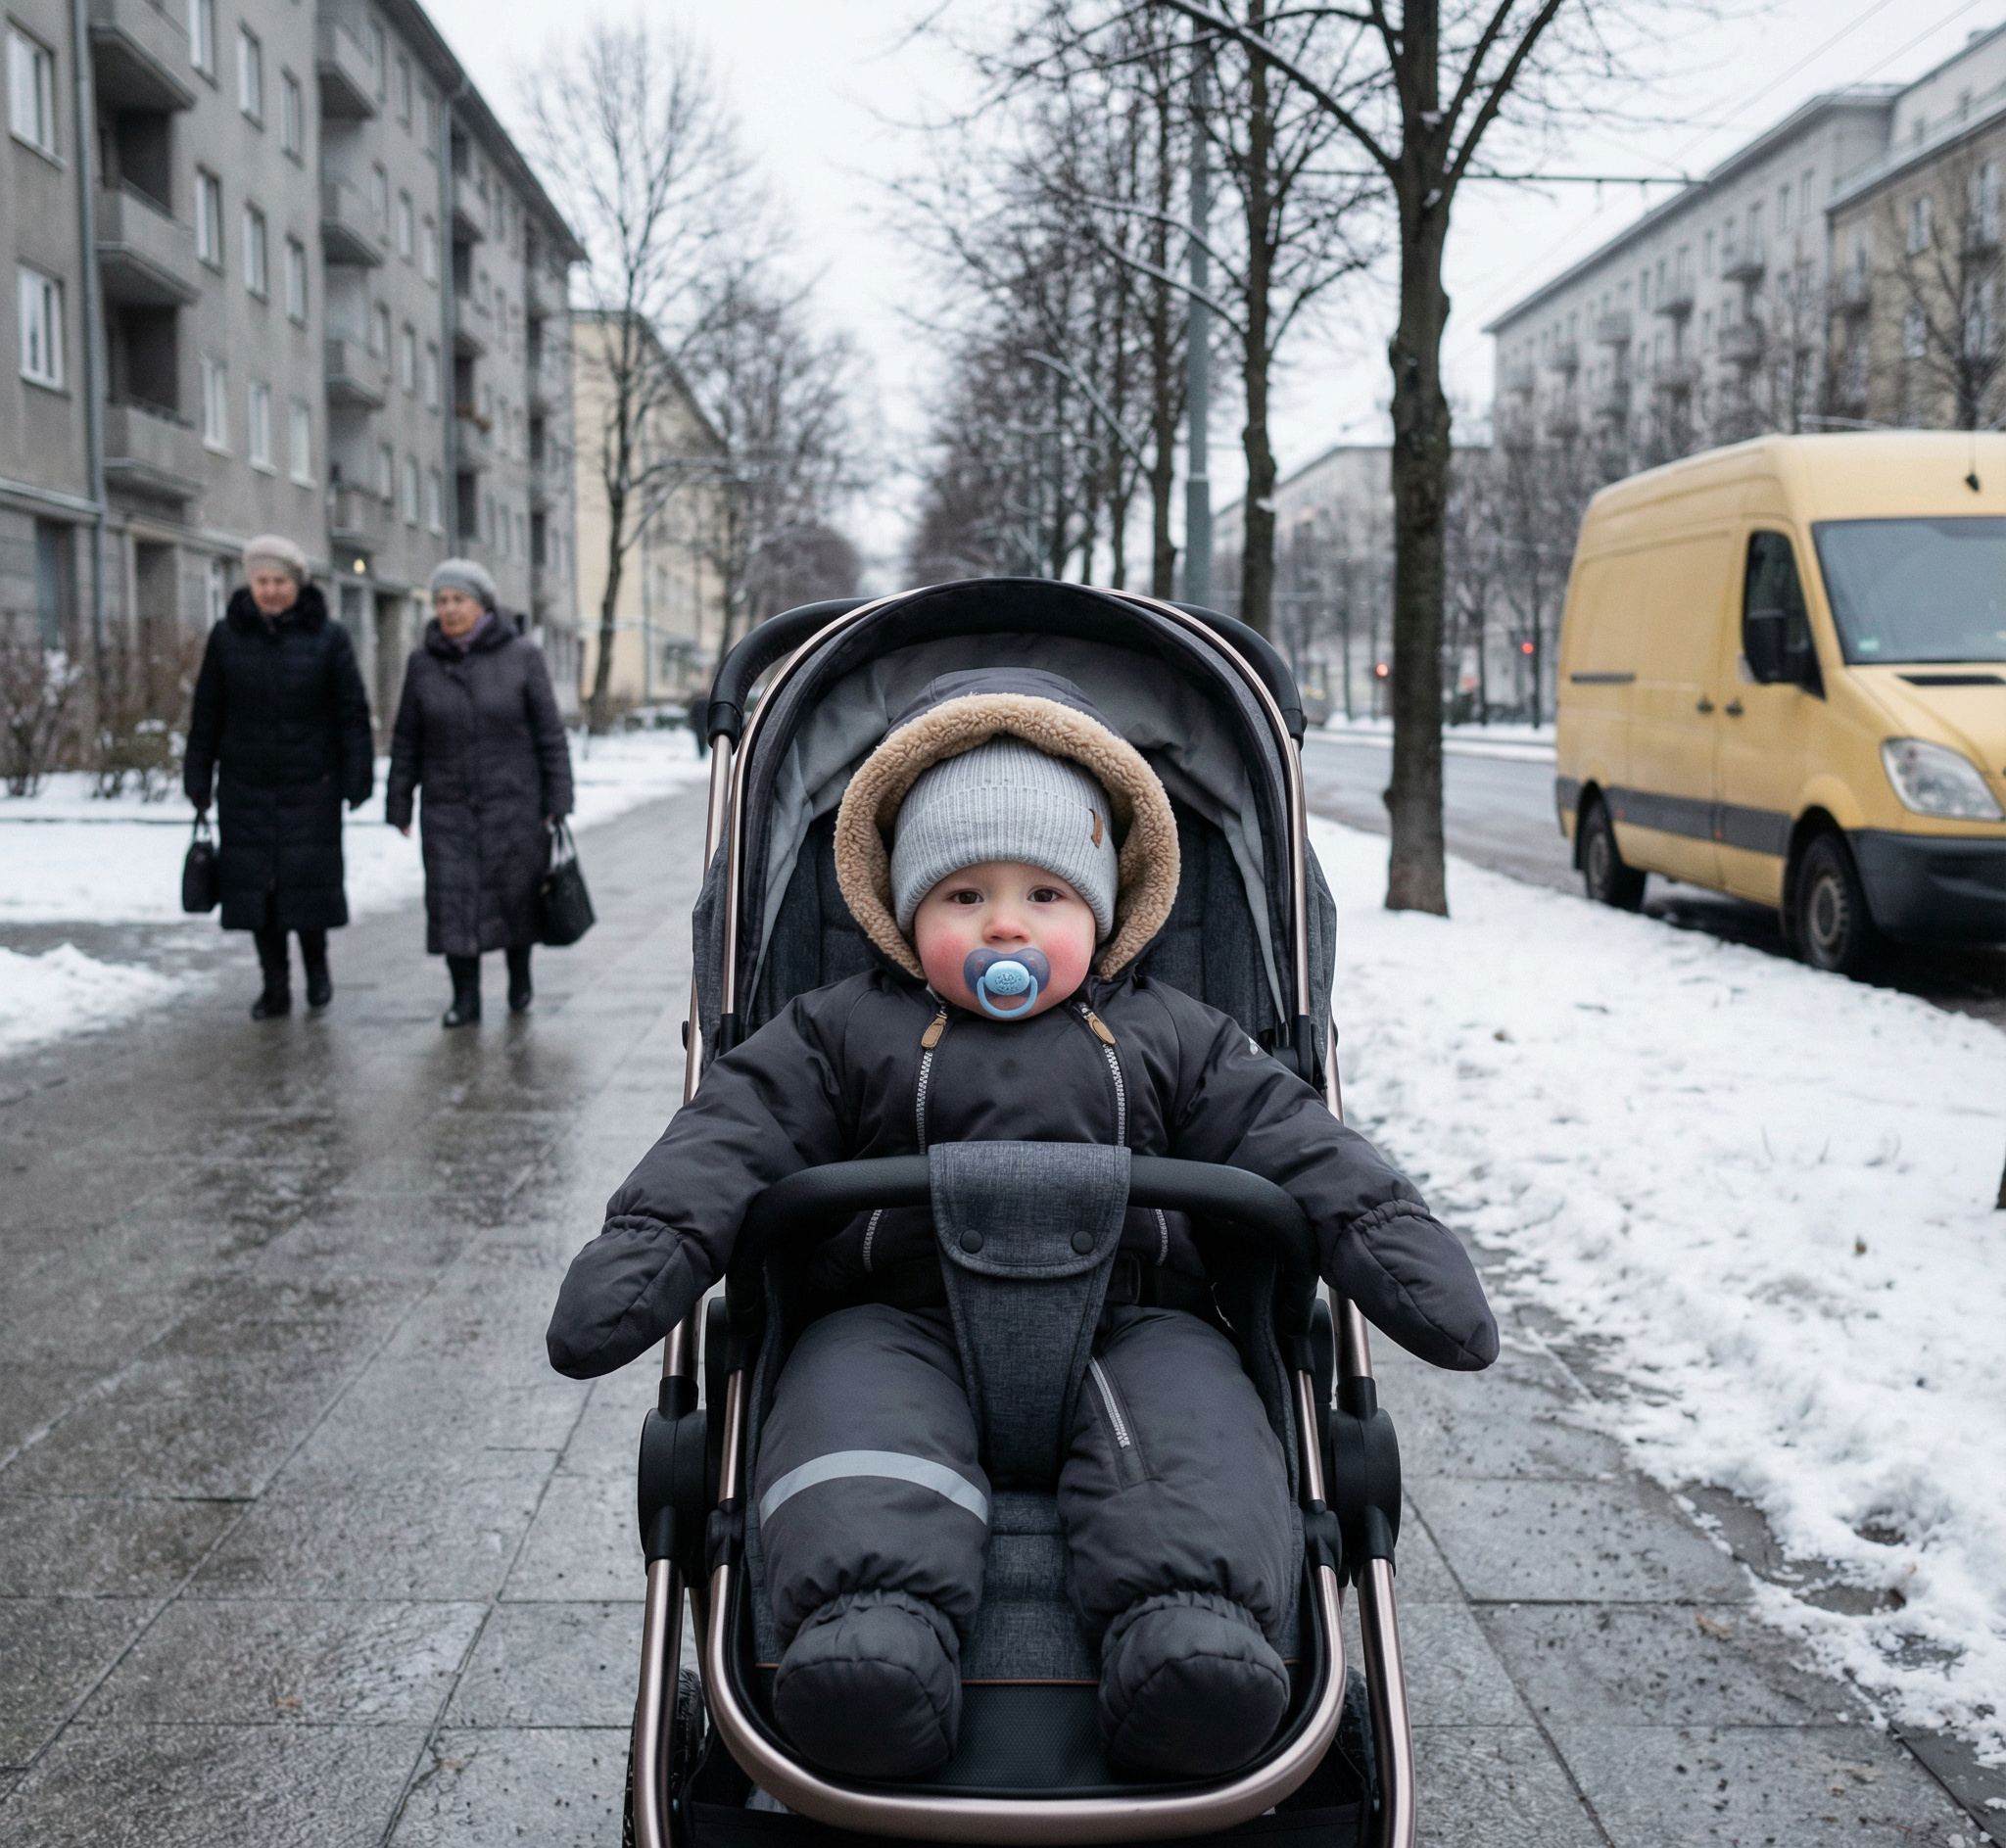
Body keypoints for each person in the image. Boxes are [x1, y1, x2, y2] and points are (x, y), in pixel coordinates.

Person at [544, 671, 1498, 1783]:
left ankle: (1194, 1646)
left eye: (1046, 893)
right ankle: (869, 1646)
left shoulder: (1176, 1034)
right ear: (898, 909)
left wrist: (1394, 1244)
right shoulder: (839, 1030)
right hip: (892, 1321)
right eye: (961, 896)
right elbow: (728, 1133)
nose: (1004, 921)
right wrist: (649, 1248)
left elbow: (1301, 1140)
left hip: (1133, 1324)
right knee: (851, 1450)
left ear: (1103, 907)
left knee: (1198, 1457)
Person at [183, 535, 374, 1019]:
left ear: (297, 584)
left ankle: (317, 969)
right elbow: (207, 713)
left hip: (312, 784)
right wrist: (198, 776)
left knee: (306, 884)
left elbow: (351, 711)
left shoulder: (328, 638)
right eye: (261, 581)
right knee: (256, 891)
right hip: (246, 787)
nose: (270, 591)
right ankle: (274, 985)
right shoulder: (227, 638)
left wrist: (357, 777)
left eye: (279, 581)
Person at [385, 559, 574, 1028]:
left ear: (482, 604)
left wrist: (559, 796)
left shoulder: (522, 655)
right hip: (446, 806)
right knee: (453, 900)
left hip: (512, 801)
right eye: (441, 601)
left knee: (515, 894)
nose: (449, 610)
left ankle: (518, 974)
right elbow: (406, 738)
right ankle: (464, 997)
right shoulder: (422, 663)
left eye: (458, 600)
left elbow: (549, 733)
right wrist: (399, 798)